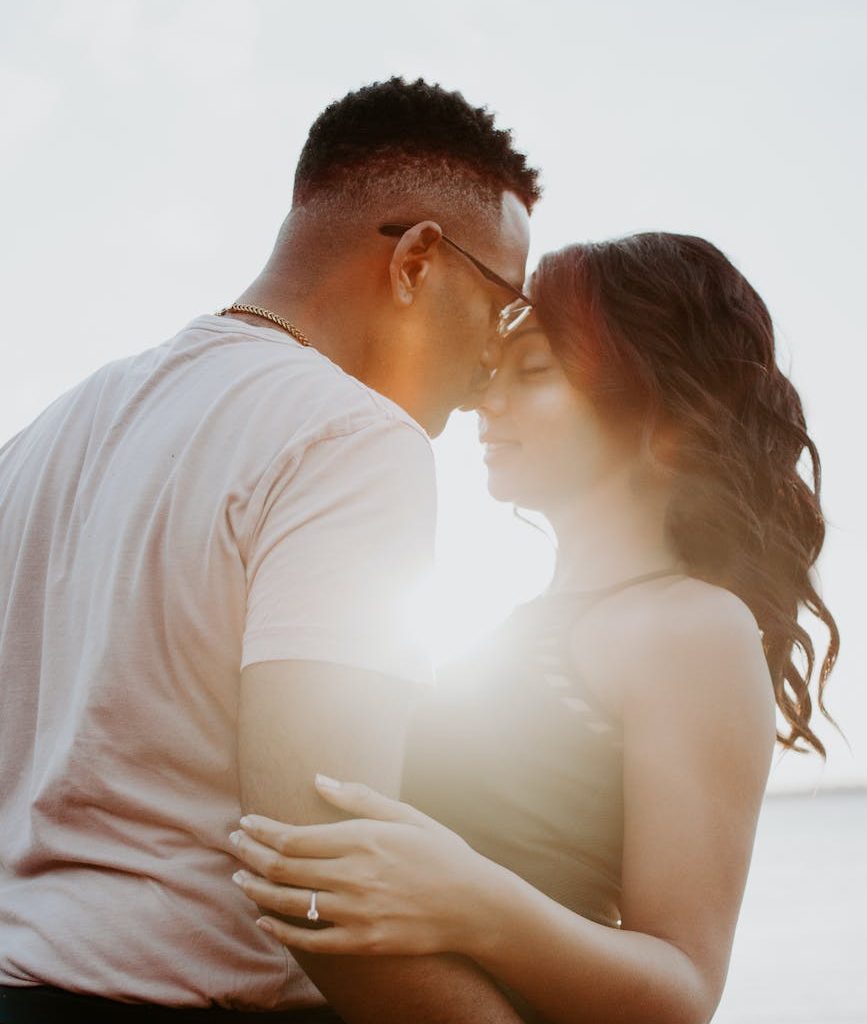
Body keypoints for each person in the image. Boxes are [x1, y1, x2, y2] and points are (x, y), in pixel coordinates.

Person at [0, 78, 541, 1023]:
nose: (494, 358)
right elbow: (318, 884)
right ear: (416, 259)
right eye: (502, 305)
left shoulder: (43, 438)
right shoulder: (353, 438)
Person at [229, 232, 840, 1024]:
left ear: (662, 412)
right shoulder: (518, 625)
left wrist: (473, 900)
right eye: (493, 374)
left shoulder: (692, 627)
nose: (485, 403)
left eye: (534, 372)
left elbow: (683, 990)